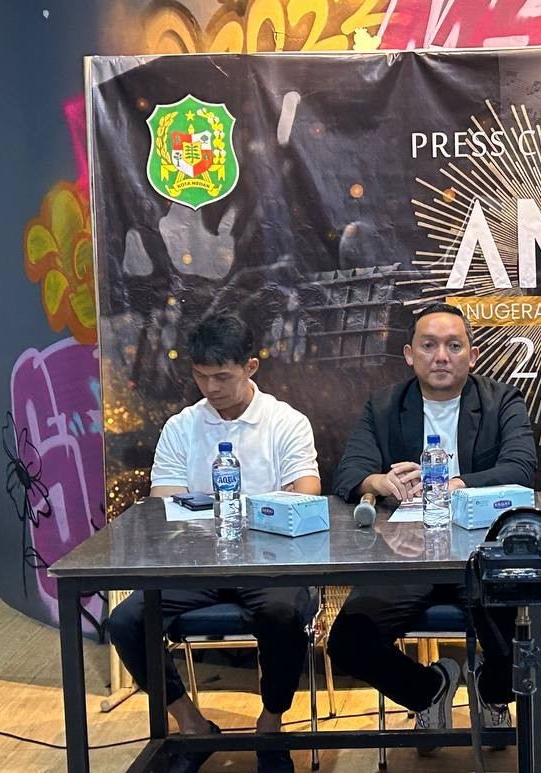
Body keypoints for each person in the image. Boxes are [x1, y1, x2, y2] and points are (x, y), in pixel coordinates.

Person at [107, 314, 321, 773]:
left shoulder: (286, 422)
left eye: (222, 376)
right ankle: (192, 726)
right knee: (126, 621)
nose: (211, 387)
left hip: (270, 563)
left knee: (282, 613)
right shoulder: (181, 426)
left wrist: (218, 507)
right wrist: (257, 505)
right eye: (201, 376)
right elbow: (163, 505)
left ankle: (270, 727)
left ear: (250, 367)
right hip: (197, 564)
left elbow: (306, 495)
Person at [327, 303, 536, 750]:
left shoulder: (502, 401)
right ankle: (428, 691)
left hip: (479, 552)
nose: (441, 356)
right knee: (348, 642)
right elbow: (349, 473)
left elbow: (521, 467)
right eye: (429, 345)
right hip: (405, 554)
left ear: (472, 356)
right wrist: (378, 482)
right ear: (409, 355)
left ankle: (490, 693)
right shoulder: (384, 405)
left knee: (515, 637)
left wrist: (455, 485)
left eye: (453, 346)